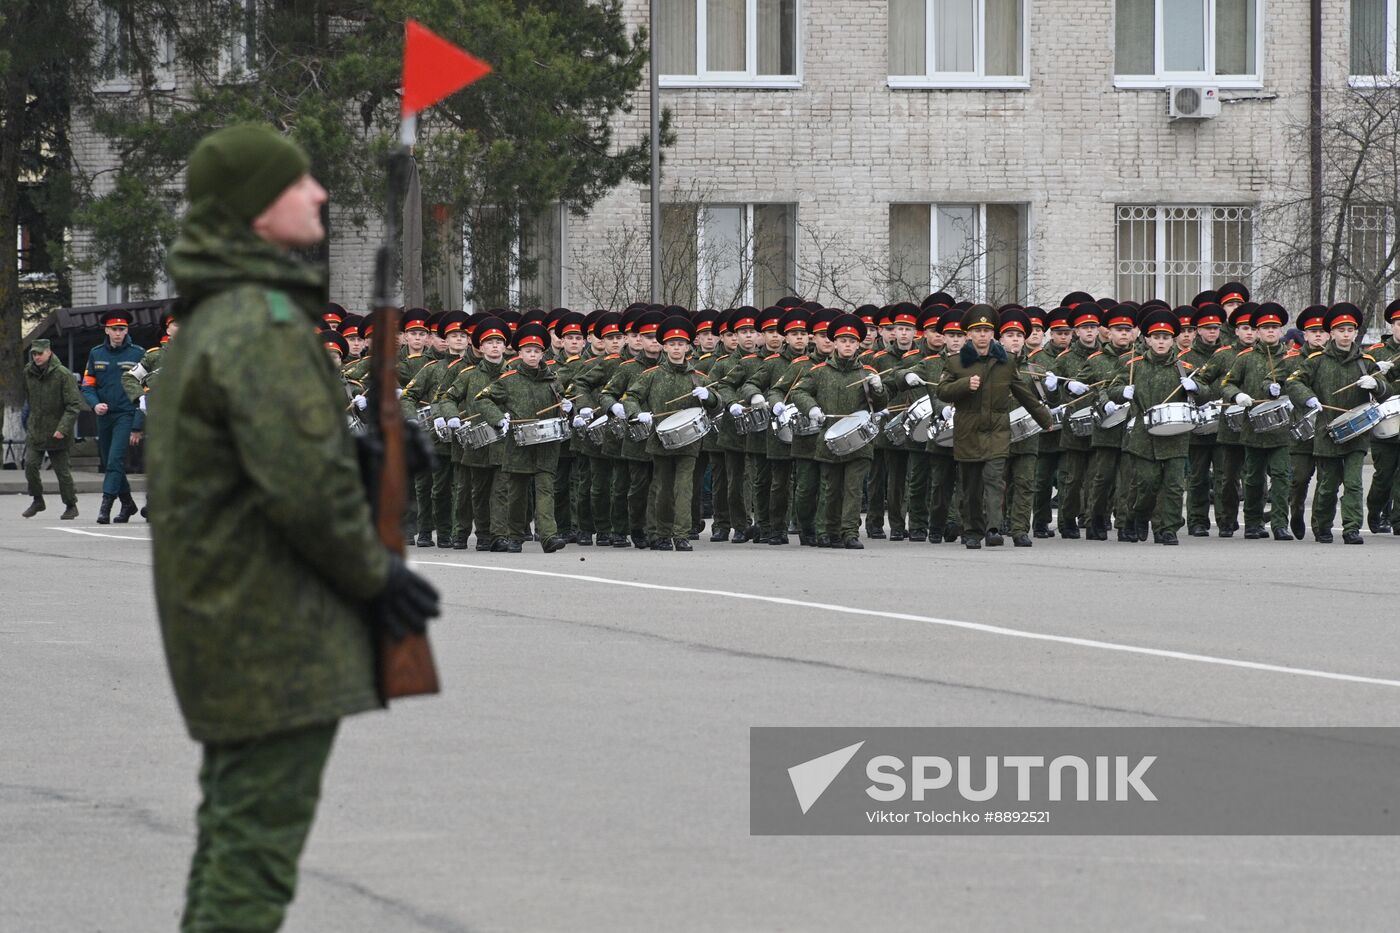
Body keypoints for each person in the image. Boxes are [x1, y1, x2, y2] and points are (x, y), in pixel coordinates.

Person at [149, 123, 441, 932]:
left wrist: (366, 455)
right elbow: (301, 489)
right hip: (269, 629)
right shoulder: (263, 323)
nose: (318, 193)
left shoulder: (220, 317)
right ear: (254, 210)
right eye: (298, 184)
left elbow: (258, 461)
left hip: (233, 621)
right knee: (253, 862)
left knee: (231, 839)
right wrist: (375, 575)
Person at [935, 304, 1052, 549]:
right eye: (977, 330)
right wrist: (965, 384)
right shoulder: (956, 362)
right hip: (967, 429)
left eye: (987, 330)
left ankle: (994, 529)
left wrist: (1045, 419)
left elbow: (1023, 393)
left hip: (997, 429)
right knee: (971, 486)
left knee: (994, 480)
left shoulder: (1006, 361)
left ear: (992, 334)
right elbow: (943, 391)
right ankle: (972, 531)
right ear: (968, 334)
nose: (982, 335)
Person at [1285, 302, 1390, 543]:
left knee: (1353, 484)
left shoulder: (1365, 361)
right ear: (1331, 333)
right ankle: (1323, 526)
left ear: (1355, 333)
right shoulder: (1316, 361)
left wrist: (1377, 385)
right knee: (1327, 486)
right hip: (1326, 431)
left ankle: (1351, 528)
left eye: (1349, 330)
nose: (1345, 335)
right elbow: (1293, 382)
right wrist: (1308, 398)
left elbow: (1386, 390)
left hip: (1357, 433)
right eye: (1340, 330)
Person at [620, 315, 720, 550]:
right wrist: (636, 413)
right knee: (662, 488)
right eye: (672, 344)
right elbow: (631, 397)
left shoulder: (699, 378)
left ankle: (681, 534)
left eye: (681, 344)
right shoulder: (652, 375)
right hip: (660, 440)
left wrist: (711, 397)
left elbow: (718, 406)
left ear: (688, 347)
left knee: (684, 488)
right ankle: (660, 534)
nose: (677, 349)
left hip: (690, 441)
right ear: (665, 346)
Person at [790, 312, 889, 548]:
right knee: (830, 488)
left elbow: (881, 405)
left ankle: (850, 533)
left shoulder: (866, 373)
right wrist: (811, 408)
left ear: (858, 345)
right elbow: (798, 392)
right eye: (843, 341)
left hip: (860, 441)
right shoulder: (819, 372)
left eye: (852, 341)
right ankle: (827, 531)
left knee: (853, 489)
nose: (847, 345)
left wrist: (879, 389)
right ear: (834, 343)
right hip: (829, 440)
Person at [1106, 308, 1201, 544]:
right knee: (1145, 484)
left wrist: (1196, 387)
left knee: (1174, 487)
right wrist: (1122, 392)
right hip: (1143, 435)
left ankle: (1166, 529)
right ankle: (1137, 516)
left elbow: (1205, 394)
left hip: (1176, 435)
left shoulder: (1184, 367)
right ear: (1147, 339)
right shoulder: (1133, 365)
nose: (1161, 342)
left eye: (1166, 337)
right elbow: (1111, 389)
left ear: (1173, 340)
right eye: (1156, 337)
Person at [476, 322, 570, 553]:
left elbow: (563, 403)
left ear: (542, 354)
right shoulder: (508, 379)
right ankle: (515, 535)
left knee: (546, 489)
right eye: (528, 351)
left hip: (547, 445)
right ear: (519, 353)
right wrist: (498, 418)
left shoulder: (553, 380)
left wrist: (568, 407)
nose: (532, 355)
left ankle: (548, 536)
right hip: (518, 445)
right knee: (517, 494)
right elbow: (482, 399)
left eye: (537, 351)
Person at [1220, 302, 1295, 540]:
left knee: (1282, 477)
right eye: (1265, 328)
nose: (1270, 331)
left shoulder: (1292, 358)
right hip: (1253, 428)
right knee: (1253, 478)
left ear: (1281, 330)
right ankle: (1253, 522)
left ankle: (1280, 524)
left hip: (1282, 428)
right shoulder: (1245, 358)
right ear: (1258, 332)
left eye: (1275, 327)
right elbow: (1227, 383)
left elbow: (1303, 383)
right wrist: (1237, 394)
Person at [81, 308, 146, 523]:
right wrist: (94, 404)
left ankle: (105, 506)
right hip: (104, 415)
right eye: (115, 329)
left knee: (114, 460)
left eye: (122, 329)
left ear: (127, 330)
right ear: (107, 330)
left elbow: (145, 391)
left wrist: (138, 424)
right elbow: (88, 385)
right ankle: (127, 503)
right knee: (111, 461)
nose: (119, 333)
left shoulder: (138, 353)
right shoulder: (96, 353)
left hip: (126, 414)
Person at [21, 339, 81, 520]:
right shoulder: (28, 372)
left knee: (62, 472)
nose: (36, 357)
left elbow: (73, 405)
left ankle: (71, 505)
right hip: (36, 430)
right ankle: (37, 500)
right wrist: (28, 423)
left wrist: (62, 428)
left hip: (58, 432)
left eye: (40, 353)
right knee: (30, 466)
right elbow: (29, 400)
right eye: (34, 354)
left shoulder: (63, 374)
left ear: (49, 352)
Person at [1364, 299, 1400, 533]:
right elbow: (1363, 379)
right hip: (1385, 423)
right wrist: (1377, 371)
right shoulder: (1376, 352)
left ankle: (1397, 521)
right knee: (1384, 476)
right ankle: (1375, 508)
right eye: (1399, 323)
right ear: (1392, 326)